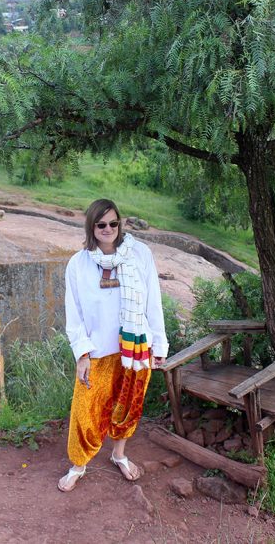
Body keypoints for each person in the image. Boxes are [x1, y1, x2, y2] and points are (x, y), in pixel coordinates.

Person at [57, 199, 168, 493]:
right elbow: (74, 311)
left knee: (128, 406)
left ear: (121, 224)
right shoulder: (78, 264)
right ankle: (78, 465)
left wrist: (158, 346)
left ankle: (119, 454)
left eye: (113, 223)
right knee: (85, 409)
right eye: (101, 224)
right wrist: (81, 353)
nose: (108, 229)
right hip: (97, 350)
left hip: (134, 349)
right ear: (92, 227)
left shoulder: (140, 255)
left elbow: (153, 302)